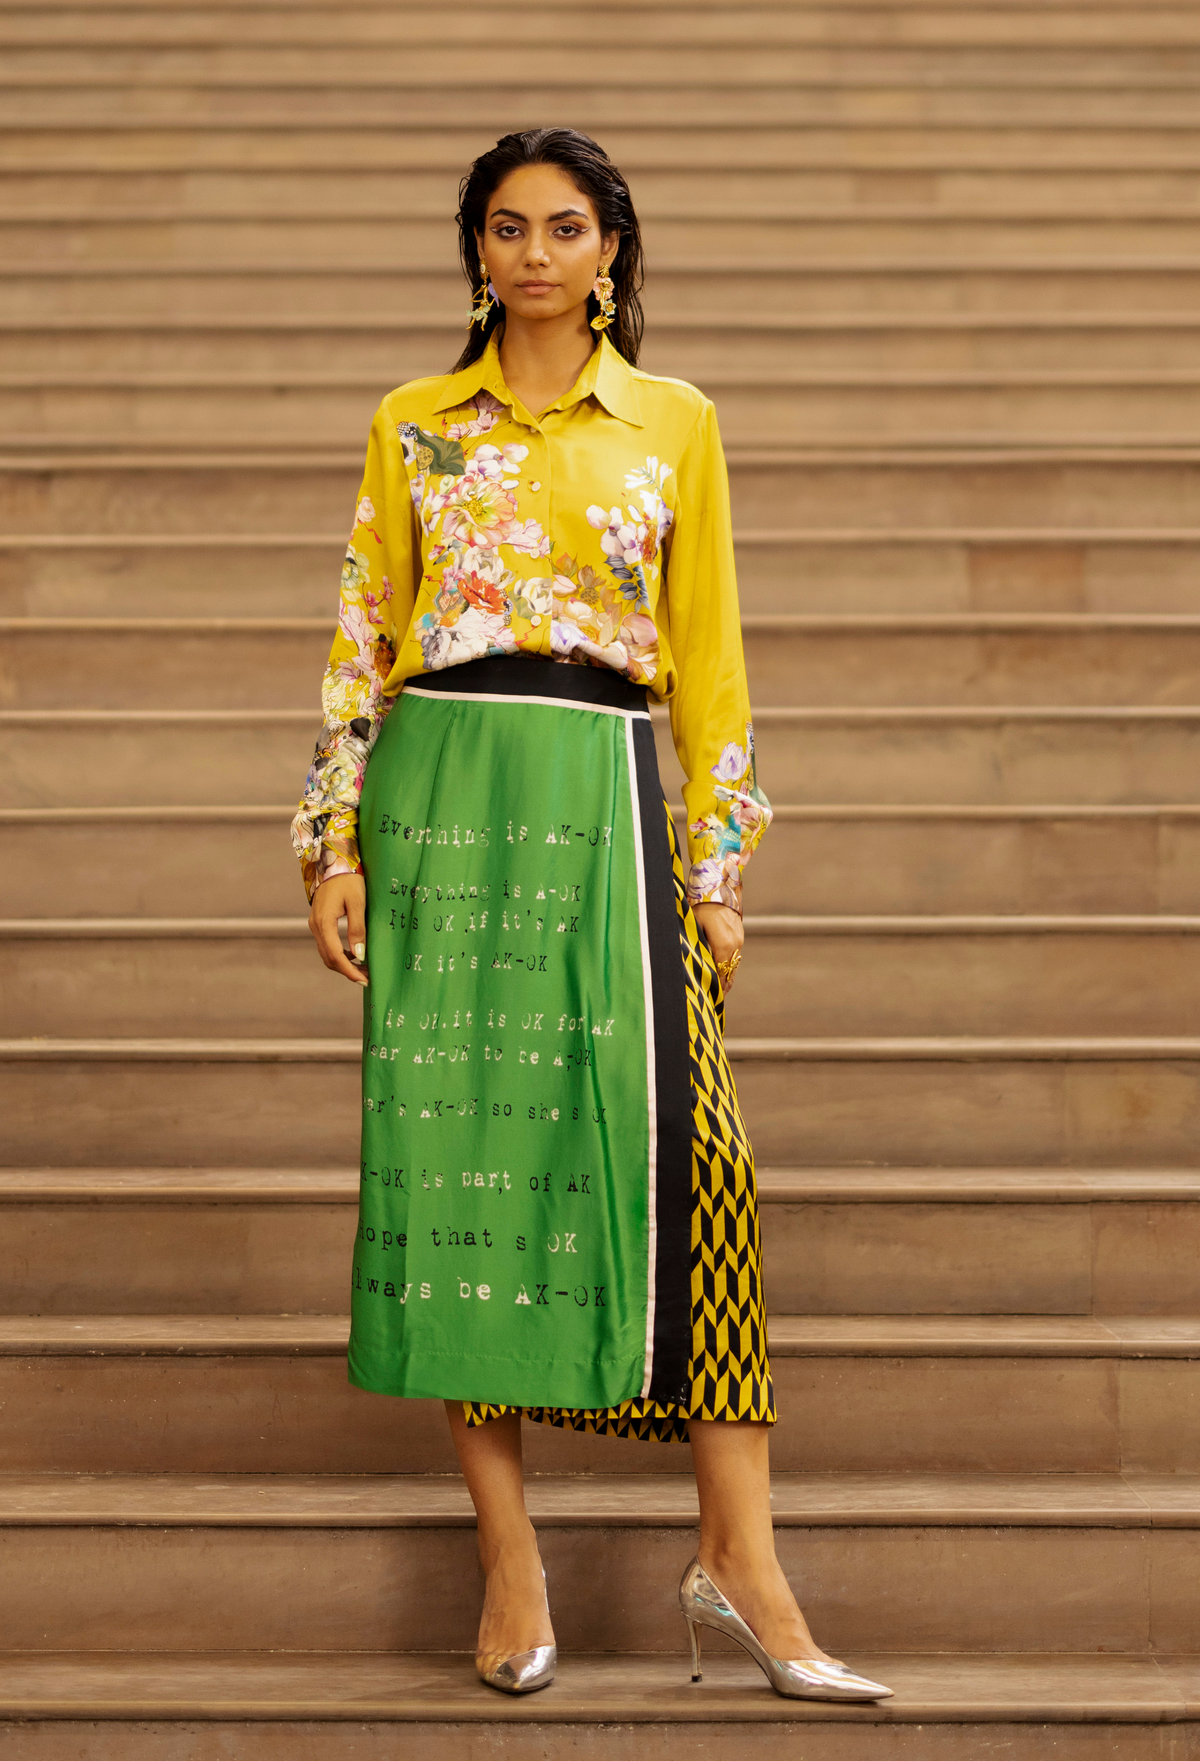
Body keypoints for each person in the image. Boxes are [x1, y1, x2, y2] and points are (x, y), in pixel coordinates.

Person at [292, 127, 890, 1705]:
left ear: (611, 247)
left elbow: (716, 658)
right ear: (476, 251)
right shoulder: (413, 425)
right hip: (442, 793)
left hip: (612, 790)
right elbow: (364, 634)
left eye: (567, 226)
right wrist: (329, 839)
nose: (538, 252)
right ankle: (509, 1558)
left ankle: (740, 1560)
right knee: (454, 1157)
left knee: (700, 1167)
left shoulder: (673, 423)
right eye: (509, 227)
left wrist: (717, 862)